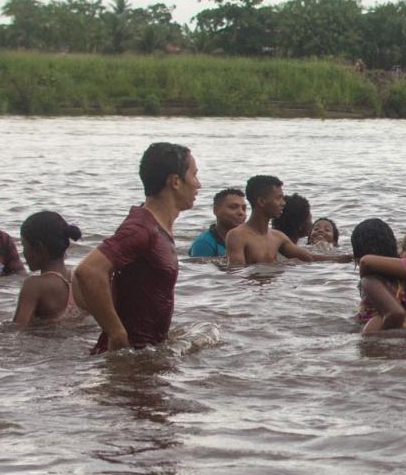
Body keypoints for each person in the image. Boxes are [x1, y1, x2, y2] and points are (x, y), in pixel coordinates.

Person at [74, 141, 200, 353]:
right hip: (128, 358)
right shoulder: (142, 229)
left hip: (143, 357)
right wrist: (116, 332)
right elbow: (88, 271)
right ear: (175, 182)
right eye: (194, 175)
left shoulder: (154, 225)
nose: (198, 184)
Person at [225, 175, 323, 266]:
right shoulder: (237, 236)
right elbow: (236, 275)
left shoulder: (278, 237)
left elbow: (310, 258)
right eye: (279, 198)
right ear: (261, 201)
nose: (283, 203)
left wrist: (337, 259)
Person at [12, 211, 87, 326]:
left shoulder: (34, 285)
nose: (23, 252)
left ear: (38, 248)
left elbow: (18, 328)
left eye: (24, 245)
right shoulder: (81, 279)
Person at [348, 218, 406, 334]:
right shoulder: (404, 272)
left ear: (358, 256)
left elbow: (396, 313)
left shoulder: (369, 281)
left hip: (377, 328)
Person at [188, 188, 246, 258]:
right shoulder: (204, 243)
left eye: (244, 208)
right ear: (216, 210)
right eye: (233, 207)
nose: (241, 212)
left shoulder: (247, 239)